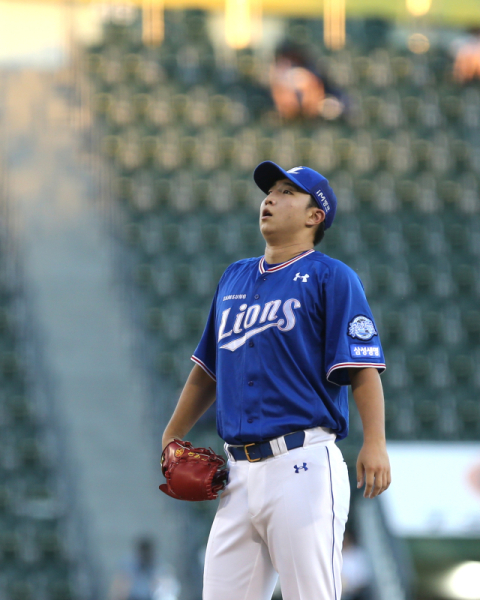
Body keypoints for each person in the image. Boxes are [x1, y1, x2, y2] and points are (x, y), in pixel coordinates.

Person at [162, 161, 391, 600]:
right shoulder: (234, 276)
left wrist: (375, 441)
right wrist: (172, 434)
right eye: (270, 191)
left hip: (301, 465)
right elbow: (206, 369)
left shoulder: (332, 277)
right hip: (237, 474)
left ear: (314, 215)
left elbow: (362, 367)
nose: (270, 198)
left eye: (288, 192)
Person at [109, 538, 179, 600]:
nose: (145, 555)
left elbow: (169, 592)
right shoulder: (127, 566)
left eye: (147, 553)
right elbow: (119, 590)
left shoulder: (162, 568)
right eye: (143, 553)